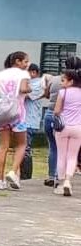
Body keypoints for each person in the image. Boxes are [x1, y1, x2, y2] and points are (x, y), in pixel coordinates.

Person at [0, 51, 31, 190]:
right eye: (25, 62)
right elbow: (23, 88)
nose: (27, 65)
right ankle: (13, 171)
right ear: (18, 61)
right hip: (18, 112)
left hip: (4, 111)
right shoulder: (23, 74)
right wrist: (29, 88)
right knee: (21, 145)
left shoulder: (1, 74)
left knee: (3, 147)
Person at [52, 56, 81, 196]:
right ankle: (69, 180)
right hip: (78, 128)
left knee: (61, 154)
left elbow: (56, 111)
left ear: (71, 81)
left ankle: (61, 182)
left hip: (63, 127)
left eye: (64, 80)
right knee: (72, 155)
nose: (62, 82)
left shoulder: (63, 92)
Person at [42, 68, 64, 187]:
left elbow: (46, 94)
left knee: (52, 146)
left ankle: (51, 175)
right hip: (63, 116)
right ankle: (58, 176)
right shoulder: (75, 82)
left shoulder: (54, 79)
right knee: (63, 148)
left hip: (49, 113)